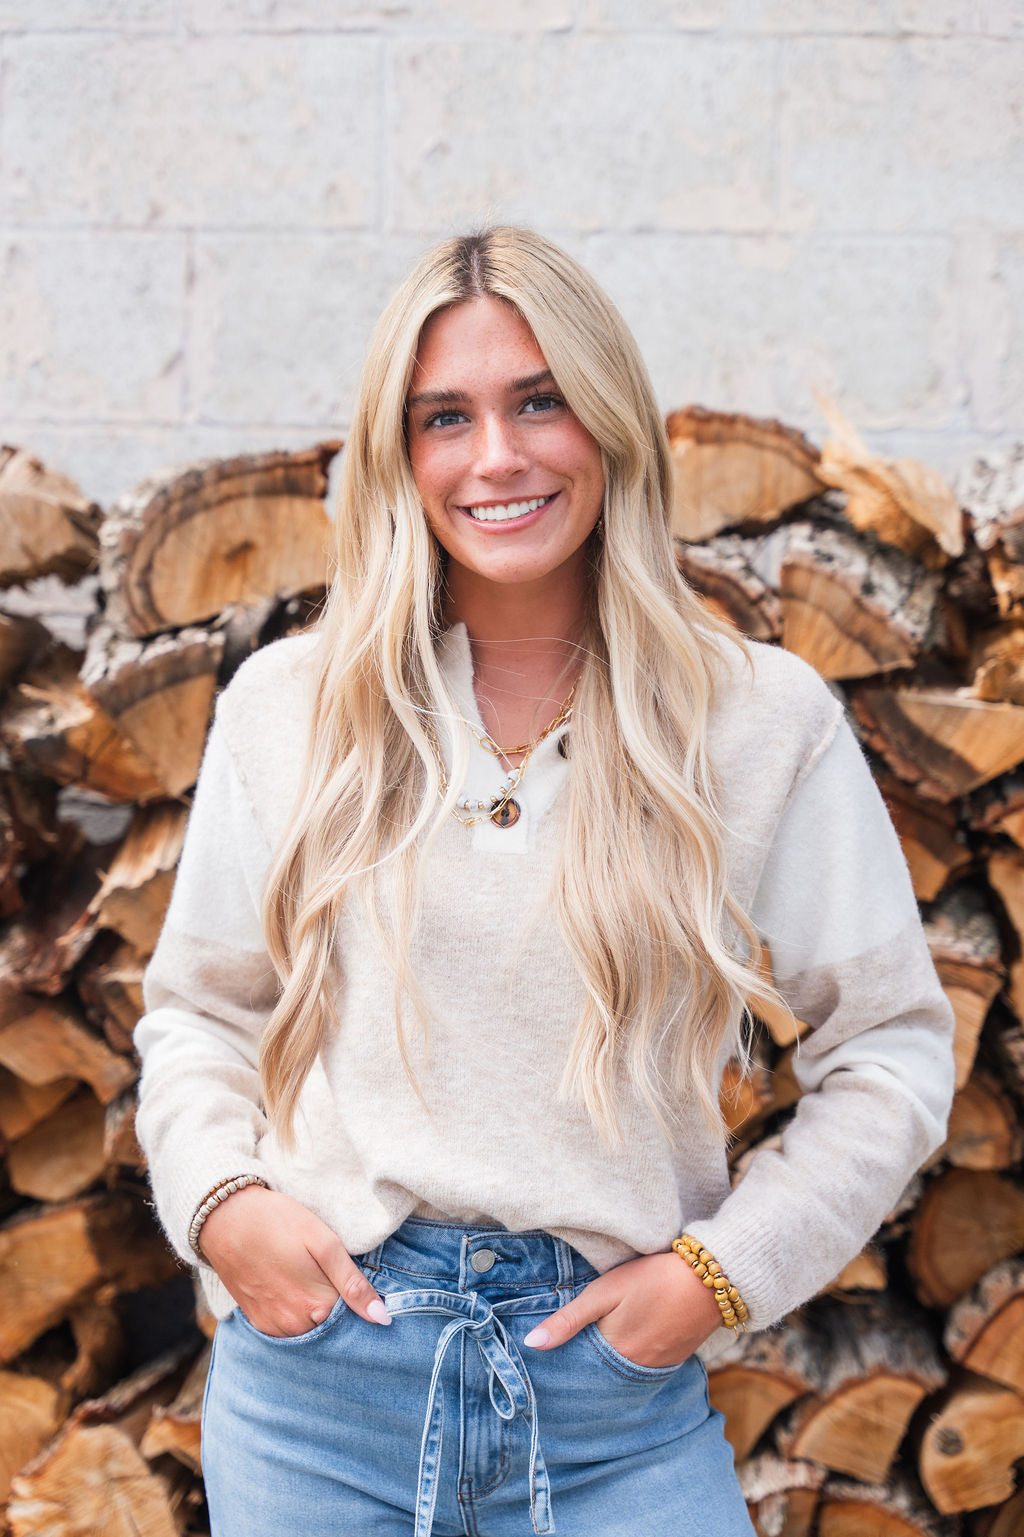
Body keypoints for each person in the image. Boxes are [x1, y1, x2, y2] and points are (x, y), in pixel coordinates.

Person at [133, 226, 956, 1537]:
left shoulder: (759, 720)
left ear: (610, 420)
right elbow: (198, 1015)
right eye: (444, 417)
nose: (497, 456)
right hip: (320, 1404)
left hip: (613, 1412)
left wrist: (718, 1276)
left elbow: (892, 1048)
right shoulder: (288, 708)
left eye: (539, 401)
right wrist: (224, 1205)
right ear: (399, 452)